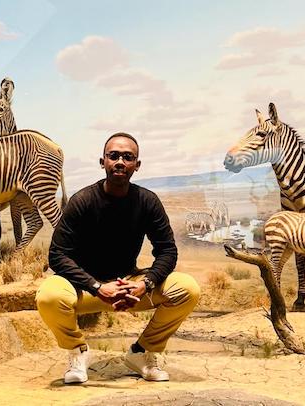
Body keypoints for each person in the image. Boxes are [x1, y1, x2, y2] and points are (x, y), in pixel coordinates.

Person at [36, 132, 201, 384]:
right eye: (113, 156)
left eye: (128, 157)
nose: (120, 162)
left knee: (187, 288)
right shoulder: (82, 201)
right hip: (84, 288)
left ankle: (142, 352)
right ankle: (78, 352)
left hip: (129, 287)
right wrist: (97, 287)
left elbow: (167, 251)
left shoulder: (147, 201)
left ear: (137, 165)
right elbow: (57, 255)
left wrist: (143, 284)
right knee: (48, 295)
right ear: (102, 162)